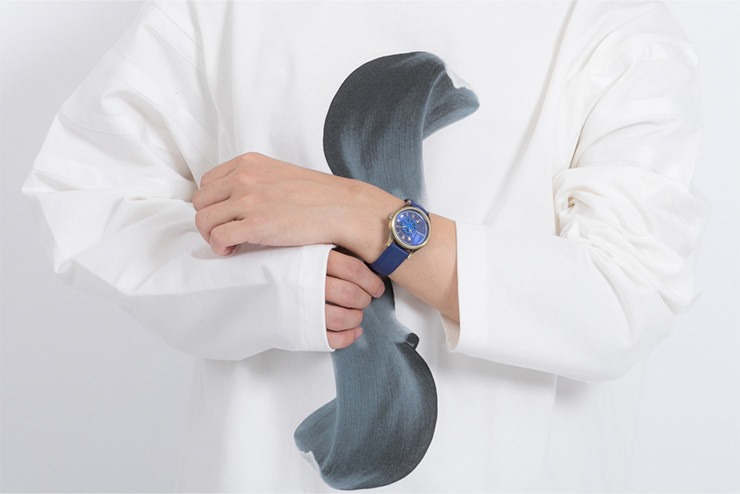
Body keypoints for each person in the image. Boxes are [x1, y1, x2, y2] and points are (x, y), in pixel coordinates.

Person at [22, 0, 708, 491]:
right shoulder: (219, 13)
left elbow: (625, 296)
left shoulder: (608, 23)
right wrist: (274, 288)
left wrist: (367, 218)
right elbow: (86, 197)